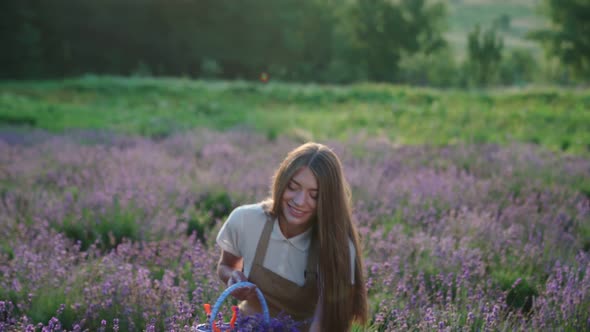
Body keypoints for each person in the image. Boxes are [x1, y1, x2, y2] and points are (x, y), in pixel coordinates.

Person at [216, 142, 368, 331]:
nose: (299, 201)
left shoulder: (336, 246)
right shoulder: (246, 220)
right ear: (281, 182)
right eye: (293, 187)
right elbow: (226, 265)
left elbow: (324, 323)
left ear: (328, 200)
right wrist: (233, 277)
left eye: (314, 195)